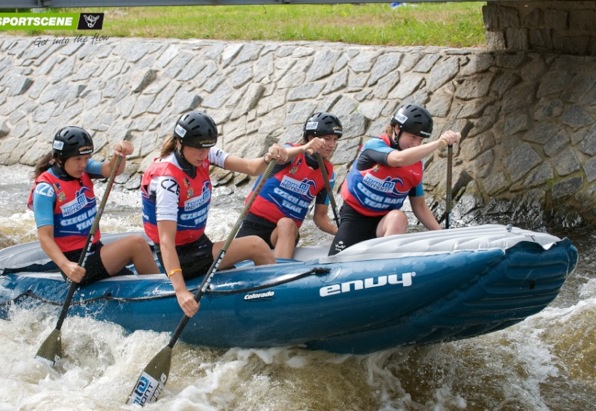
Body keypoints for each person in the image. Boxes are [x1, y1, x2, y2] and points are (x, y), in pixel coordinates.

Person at [141, 110, 285, 318]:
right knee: (256, 245)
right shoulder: (168, 181)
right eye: (198, 149)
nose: (203, 154)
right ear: (180, 143)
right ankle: (281, 306)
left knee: (237, 267)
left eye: (207, 148)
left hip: (199, 244)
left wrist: (268, 157)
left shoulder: (206, 155)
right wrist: (181, 292)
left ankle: (255, 308)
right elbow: (165, 242)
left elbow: (251, 168)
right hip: (179, 257)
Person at [28, 126, 160, 284]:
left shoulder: (82, 168)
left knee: (130, 278)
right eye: (78, 159)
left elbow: (112, 170)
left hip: (95, 249)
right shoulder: (45, 190)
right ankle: (166, 293)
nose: (83, 164)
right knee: (136, 244)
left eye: (86, 158)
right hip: (76, 263)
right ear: (60, 158)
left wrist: (119, 155)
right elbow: (45, 238)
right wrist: (66, 266)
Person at [328, 102, 461, 256]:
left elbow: (419, 206)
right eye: (413, 137)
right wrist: (440, 143)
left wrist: (444, 237)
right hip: (355, 218)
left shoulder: (416, 165)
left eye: (420, 139)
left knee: (399, 217)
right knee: (335, 259)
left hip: (385, 222)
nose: (416, 144)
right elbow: (397, 159)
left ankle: (385, 265)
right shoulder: (374, 146)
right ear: (397, 129)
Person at [236, 112, 342, 259]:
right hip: (254, 224)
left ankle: (280, 273)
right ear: (311, 138)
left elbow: (321, 217)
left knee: (287, 223)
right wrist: (305, 148)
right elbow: (280, 154)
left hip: (285, 234)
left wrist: (340, 231)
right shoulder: (291, 153)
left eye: (335, 140)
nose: (332, 145)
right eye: (327, 139)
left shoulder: (328, 174)